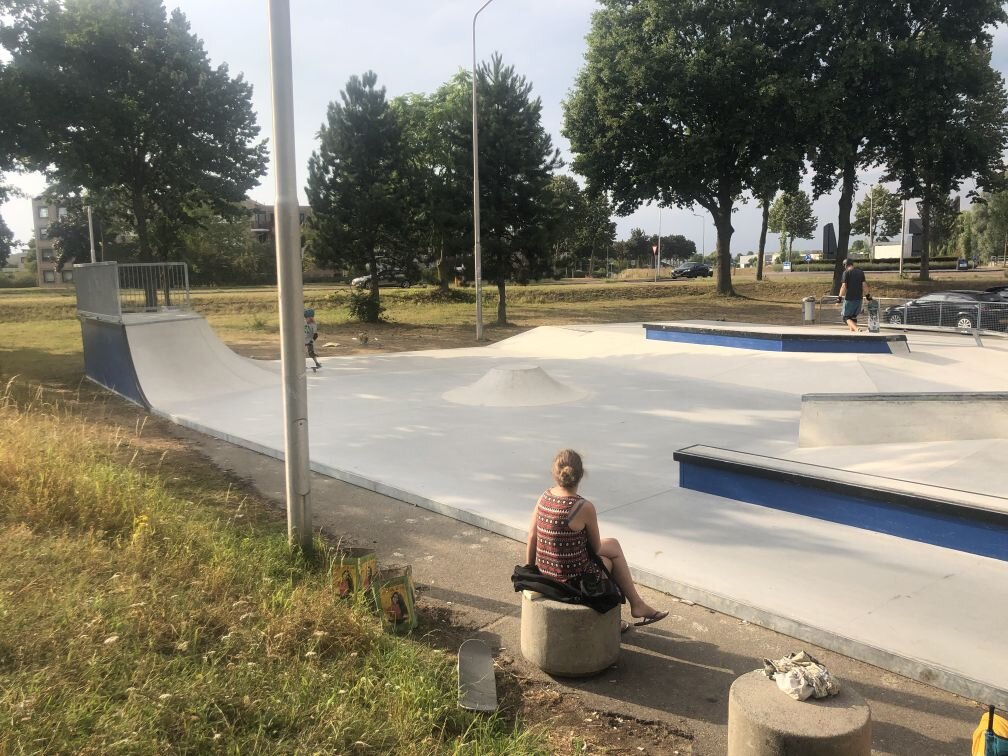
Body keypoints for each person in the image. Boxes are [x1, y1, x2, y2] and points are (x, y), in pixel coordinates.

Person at [526, 449, 668, 629]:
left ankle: (635, 607)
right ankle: (634, 606)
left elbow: (532, 536)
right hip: (570, 581)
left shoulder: (544, 497)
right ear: (581, 474)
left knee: (613, 545)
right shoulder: (582, 507)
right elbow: (596, 547)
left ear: (554, 473)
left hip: (546, 572)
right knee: (608, 561)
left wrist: (531, 572)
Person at [838, 259, 871, 333]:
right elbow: (864, 285)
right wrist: (868, 296)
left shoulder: (846, 272)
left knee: (846, 317)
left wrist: (839, 298)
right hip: (859, 299)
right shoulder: (860, 272)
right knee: (853, 317)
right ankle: (853, 334)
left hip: (849, 299)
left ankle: (857, 329)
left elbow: (843, 286)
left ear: (845, 265)